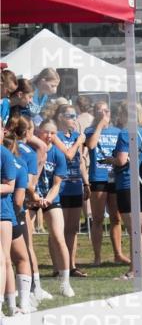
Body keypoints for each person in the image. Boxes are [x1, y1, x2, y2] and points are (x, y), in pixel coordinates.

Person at [8, 116, 52, 304]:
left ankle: (12, 292)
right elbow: (30, 184)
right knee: (26, 249)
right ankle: (35, 288)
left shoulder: (6, 146)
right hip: (18, 204)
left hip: (7, 201)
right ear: (28, 132)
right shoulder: (29, 153)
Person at [113, 104, 142, 279]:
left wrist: (110, 160)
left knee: (134, 230)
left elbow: (122, 160)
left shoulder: (125, 133)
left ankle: (134, 269)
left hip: (127, 182)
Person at [84, 101, 129, 267]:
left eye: (106, 110)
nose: (103, 113)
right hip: (98, 178)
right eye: (99, 110)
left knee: (116, 218)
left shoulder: (118, 131)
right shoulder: (90, 131)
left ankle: (118, 254)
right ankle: (97, 257)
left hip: (115, 176)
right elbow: (91, 145)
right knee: (98, 219)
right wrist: (100, 126)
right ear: (95, 113)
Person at [34, 119, 74, 297]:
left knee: (59, 237)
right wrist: (34, 197)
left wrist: (48, 199)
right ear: (38, 131)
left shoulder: (58, 154)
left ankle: (65, 282)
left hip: (51, 198)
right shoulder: (31, 150)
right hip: (31, 198)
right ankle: (34, 285)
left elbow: (56, 184)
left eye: (52, 133)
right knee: (27, 242)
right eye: (46, 132)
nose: (49, 136)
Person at [52, 104, 89, 278]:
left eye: (75, 116)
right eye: (70, 116)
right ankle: (57, 266)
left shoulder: (75, 137)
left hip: (75, 185)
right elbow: (68, 154)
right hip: (60, 187)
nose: (74, 119)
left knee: (73, 229)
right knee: (58, 230)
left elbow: (79, 161)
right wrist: (79, 142)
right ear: (60, 117)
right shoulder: (55, 135)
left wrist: (86, 183)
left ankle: (71, 265)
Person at [2, 137, 34, 314]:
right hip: (10, 216)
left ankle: (12, 304)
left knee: (5, 261)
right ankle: (22, 303)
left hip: (7, 215)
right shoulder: (20, 164)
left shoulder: (7, 159)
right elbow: (18, 200)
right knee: (20, 258)